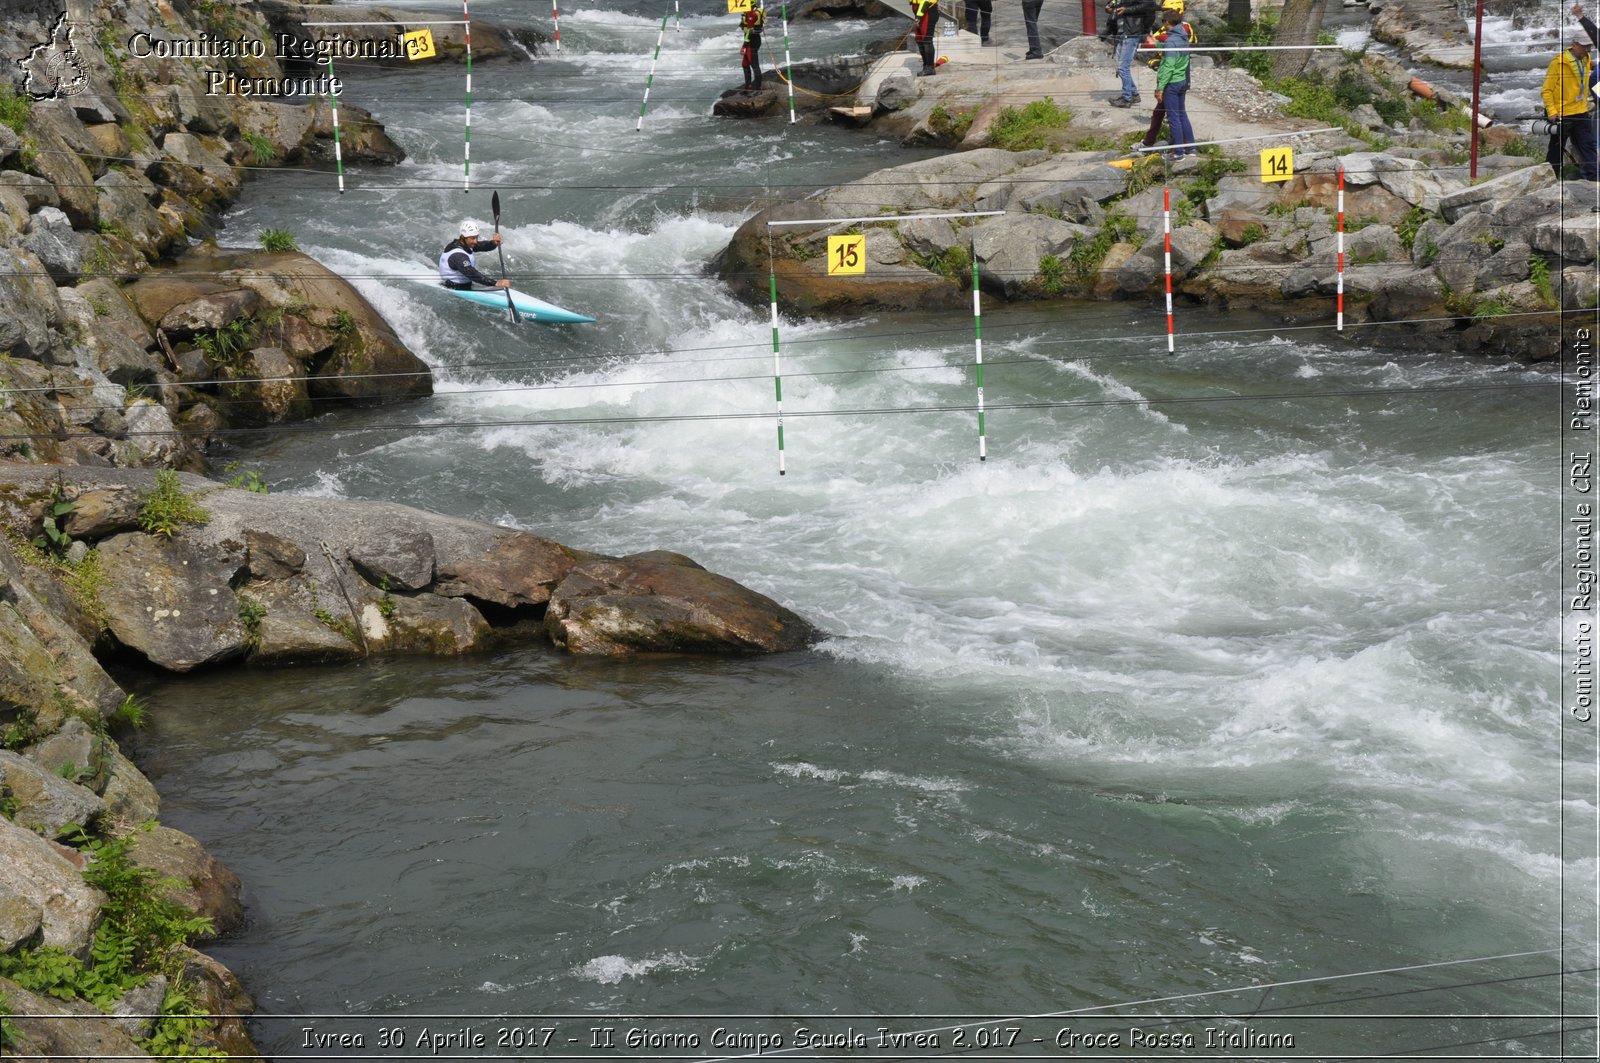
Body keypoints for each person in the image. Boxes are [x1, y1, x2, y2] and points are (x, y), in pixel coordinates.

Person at [1541, 33, 1599, 180]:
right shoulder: (1558, 62)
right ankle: (1551, 179)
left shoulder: (1586, 59)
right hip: (1561, 114)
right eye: (1584, 46)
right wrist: (1551, 111)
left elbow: (1590, 81)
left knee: (1588, 145)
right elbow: (1547, 90)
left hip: (1581, 111)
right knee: (1556, 149)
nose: (1587, 49)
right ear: (1574, 45)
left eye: (1589, 46)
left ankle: (1593, 179)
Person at [1153, 6, 1194, 158]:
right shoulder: (1183, 37)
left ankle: (1178, 152)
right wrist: (1156, 44)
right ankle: (1191, 148)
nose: (1162, 25)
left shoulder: (1171, 41)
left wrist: (1160, 87)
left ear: (1167, 23)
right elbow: (1171, 49)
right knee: (1182, 115)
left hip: (1172, 83)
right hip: (1183, 80)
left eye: (1163, 21)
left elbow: (1169, 66)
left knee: (1173, 117)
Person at [1107, 0, 1157, 106]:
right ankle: (1134, 94)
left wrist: (1126, 10)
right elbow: (1117, 3)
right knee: (1120, 66)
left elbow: (1148, 4)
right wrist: (1110, 7)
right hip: (1121, 31)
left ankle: (1127, 98)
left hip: (1132, 32)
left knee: (1123, 67)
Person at [438, 220, 510, 291]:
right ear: (463, 237)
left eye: (476, 237)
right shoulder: (458, 255)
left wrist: (494, 243)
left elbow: (482, 246)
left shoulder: (464, 244)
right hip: (453, 288)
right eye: (472, 238)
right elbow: (472, 274)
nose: (475, 241)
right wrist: (496, 283)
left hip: (464, 286)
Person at [910, 0, 941, 75]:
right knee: (919, 40)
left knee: (927, 41)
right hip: (919, 10)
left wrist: (918, 16)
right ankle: (925, 65)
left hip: (927, 11)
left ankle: (930, 68)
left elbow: (926, 1)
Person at [739, 5, 765, 91]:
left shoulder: (752, 14)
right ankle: (748, 86)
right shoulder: (750, 12)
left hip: (752, 41)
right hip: (752, 39)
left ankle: (757, 88)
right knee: (745, 64)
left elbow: (749, 31)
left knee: (754, 65)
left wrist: (744, 46)